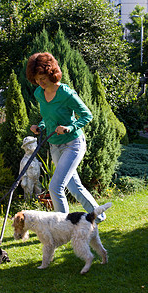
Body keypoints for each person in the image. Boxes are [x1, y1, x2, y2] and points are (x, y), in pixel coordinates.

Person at [26, 52, 105, 223]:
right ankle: (99, 216)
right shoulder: (39, 93)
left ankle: (63, 227)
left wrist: (70, 127)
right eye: (37, 79)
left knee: (55, 187)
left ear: (51, 73)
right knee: (74, 186)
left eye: (43, 78)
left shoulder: (66, 93)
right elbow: (49, 118)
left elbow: (87, 115)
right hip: (55, 145)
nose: (40, 82)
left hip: (73, 144)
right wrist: (40, 126)